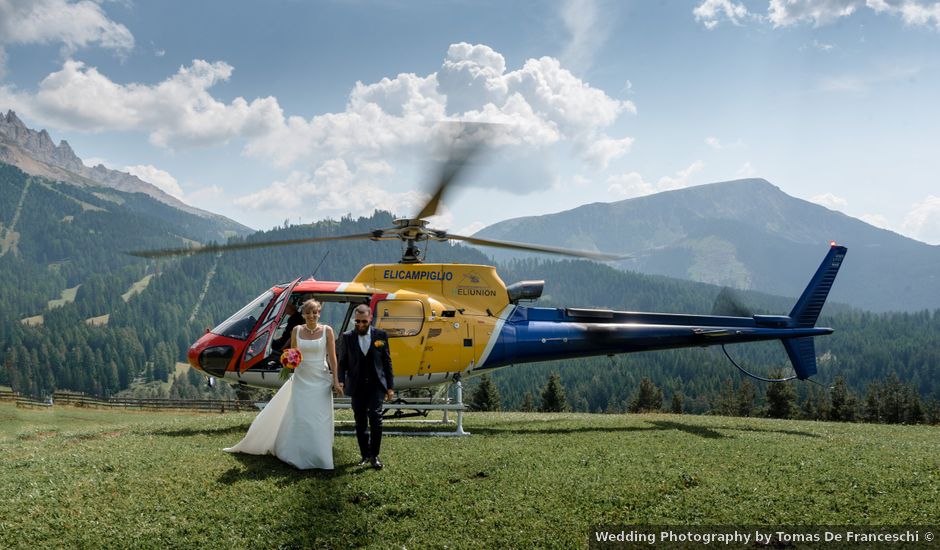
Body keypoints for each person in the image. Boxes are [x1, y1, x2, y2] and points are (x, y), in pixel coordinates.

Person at [224, 299, 342, 470]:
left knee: (320, 417)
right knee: (301, 416)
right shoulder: (296, 331)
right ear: (303, 314)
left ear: (319, 313)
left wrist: (336, 380)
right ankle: (298, 454)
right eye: (308, 312)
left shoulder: (327, 331)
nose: (311, 315)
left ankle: (321, 457)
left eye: (315, 312)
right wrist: (289, 364)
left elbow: (332, 358)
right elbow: (293, 353)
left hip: (321, 379)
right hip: (301, 378)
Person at [337, 304, 394, 469]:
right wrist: (341, 380)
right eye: (357, 321)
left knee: (376, 420)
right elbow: (342, 362)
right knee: (360, 421)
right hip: (356, 385)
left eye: (363, 321)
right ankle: (364, 455)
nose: (360, 324)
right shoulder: (347, 337)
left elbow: (387, 361)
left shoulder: (380, 335)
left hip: (376, 384)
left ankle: (375, 456)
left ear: (370, 318)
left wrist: (390, 387)